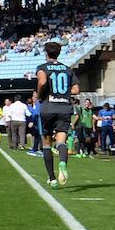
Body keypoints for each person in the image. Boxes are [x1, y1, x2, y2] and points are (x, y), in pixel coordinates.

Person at [35, 41, 79, 187]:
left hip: (48, 107)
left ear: (46, 53)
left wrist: (40, 94)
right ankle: (62, 162)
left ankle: (52, 178)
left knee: (46, 143)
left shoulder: (42, 68)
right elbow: (76, 90)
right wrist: (64, 92)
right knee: (61, 140)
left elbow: (42, 82)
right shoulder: (68, 69)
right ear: (59, 53)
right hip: (64, 108)